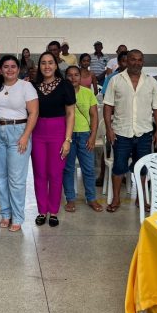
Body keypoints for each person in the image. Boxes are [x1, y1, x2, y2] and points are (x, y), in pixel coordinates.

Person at [103, 50, 157, 212]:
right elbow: (108, 106)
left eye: (139, 60)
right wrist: (109, 129)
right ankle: (116, 199)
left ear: (143, 62)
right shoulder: (115, 80)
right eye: (133, 59)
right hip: (121, 132)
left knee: (142, 168)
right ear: (126, 61)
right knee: (118, 167)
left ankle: (141, 199)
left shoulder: (151, 82)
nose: (136, 63)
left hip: (144, 133)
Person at [0, 54, 39, 232]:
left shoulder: (26, 86)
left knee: (16, 180)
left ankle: (17, 217)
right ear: (0, 69)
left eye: (13, 66)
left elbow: (33, 113)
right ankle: (6, 213)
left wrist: (26, 136)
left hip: (18, 133)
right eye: (6, 66)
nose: (9, 70)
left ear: (18, 69)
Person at [32, 51, 76, 227]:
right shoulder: (32, 86)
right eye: (43, 63)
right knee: (39, 173)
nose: (47, 66)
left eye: (50, 62)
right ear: (39, 66)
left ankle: (53, 211)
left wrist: (68, 140)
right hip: (37, 133)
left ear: (56, 65)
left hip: (58, 133)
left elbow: (70, 114)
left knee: (55, 174)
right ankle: (42, 211)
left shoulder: (65, 85)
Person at [63, 66, 102, 213]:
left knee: (89, 169)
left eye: (76, 75)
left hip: (85, 135)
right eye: (70, 75)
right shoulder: (62, 92)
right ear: (65, 77)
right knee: (68, 169)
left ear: (81, 77)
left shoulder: (88, 93)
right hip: (68, 136)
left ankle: (91, 198)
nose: (73, 78)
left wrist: (93, 136)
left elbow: (94, 116)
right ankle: (70, 199)